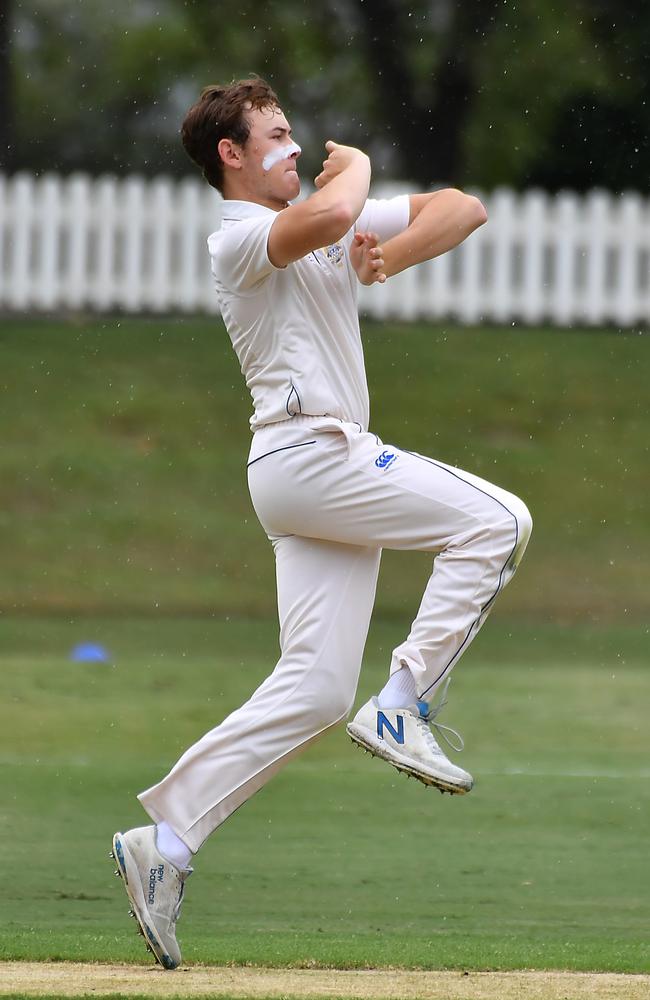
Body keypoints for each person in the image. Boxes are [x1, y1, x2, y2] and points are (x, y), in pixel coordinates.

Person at [111, 76, 532, 970]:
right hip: (311, 453)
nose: (296, 147)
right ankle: (407, 702)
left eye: (294, 131)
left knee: (313, 689)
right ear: (231, 155)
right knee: (499, 521)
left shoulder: (318, 215)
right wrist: (365, 167)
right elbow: (333, 219)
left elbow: (465, 207)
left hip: (308, 474)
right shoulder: (241, 238)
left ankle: (167, 843)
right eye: (274, 134)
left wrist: (397, 255)